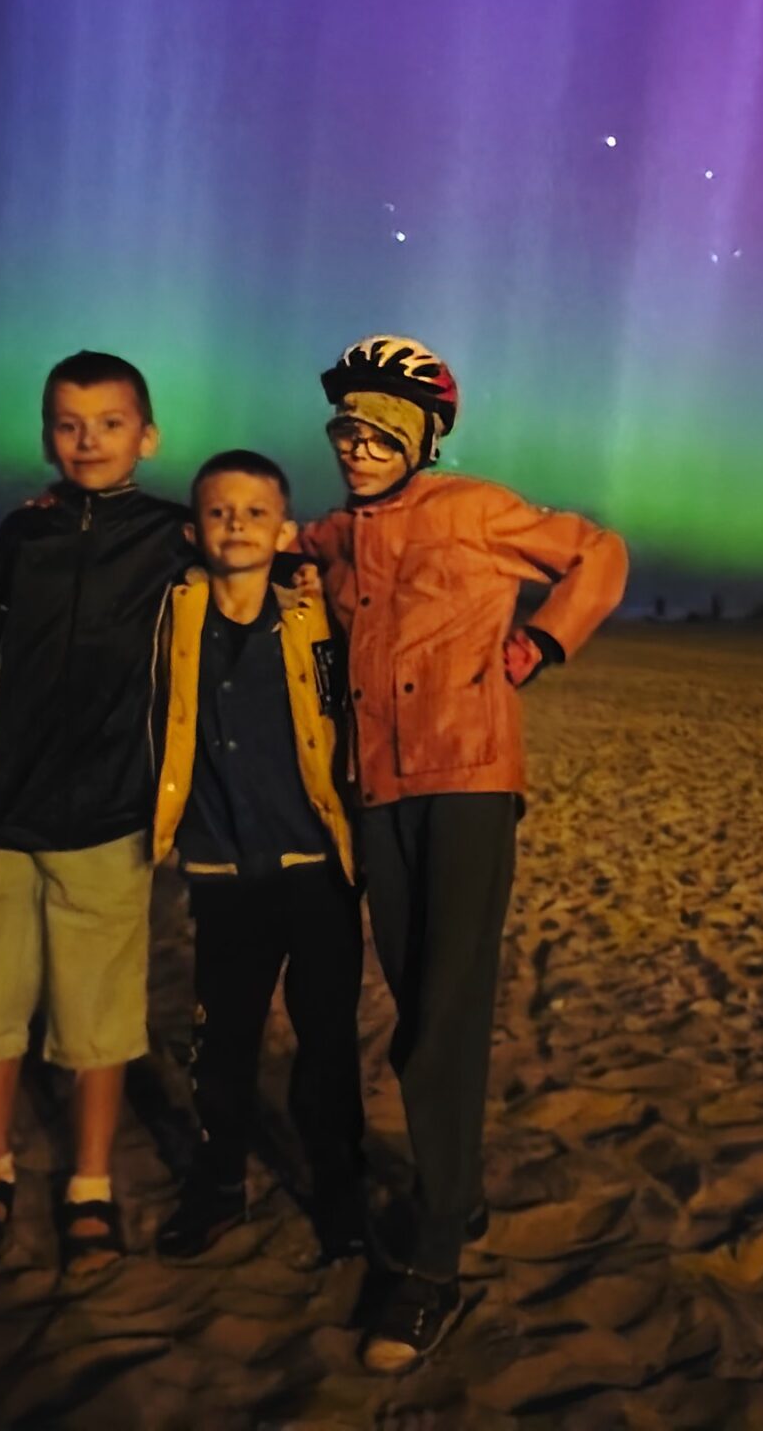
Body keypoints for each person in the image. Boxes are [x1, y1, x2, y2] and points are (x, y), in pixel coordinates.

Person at [298, 335, 629, 1371]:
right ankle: (462, 1191)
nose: (355, 449)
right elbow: (249, 533)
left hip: (470, 784)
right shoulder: (338, 535)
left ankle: (434, 1260)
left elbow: (599, 553)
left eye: (376, 434)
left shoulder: (477, 509)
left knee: (442, 1017)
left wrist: (542, 642)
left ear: (419, 438)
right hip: (377, 792)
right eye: (344, 431)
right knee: (416, 1007)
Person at [0, 351, 189, 1279]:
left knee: (99, 1018)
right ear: (47, 436)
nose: (88, 441)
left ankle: (89, 1185)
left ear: (146, 437)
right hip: (3, 813)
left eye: (110, 424)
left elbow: (257, 560)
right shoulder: (20, 534)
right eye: (68, 425)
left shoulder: (173, 535)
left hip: (110, 814)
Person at [149, 450, 367, 1265]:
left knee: (327, 1043)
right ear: (191, 530)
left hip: (316, 870)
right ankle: (218, 1187)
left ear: (284, 532)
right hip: (222, 872)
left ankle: (341, 1192)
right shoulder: (169, 619)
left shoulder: (315, 621)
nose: (235, 524)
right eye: (217, 512)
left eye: (254, 513)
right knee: (223, 1044)